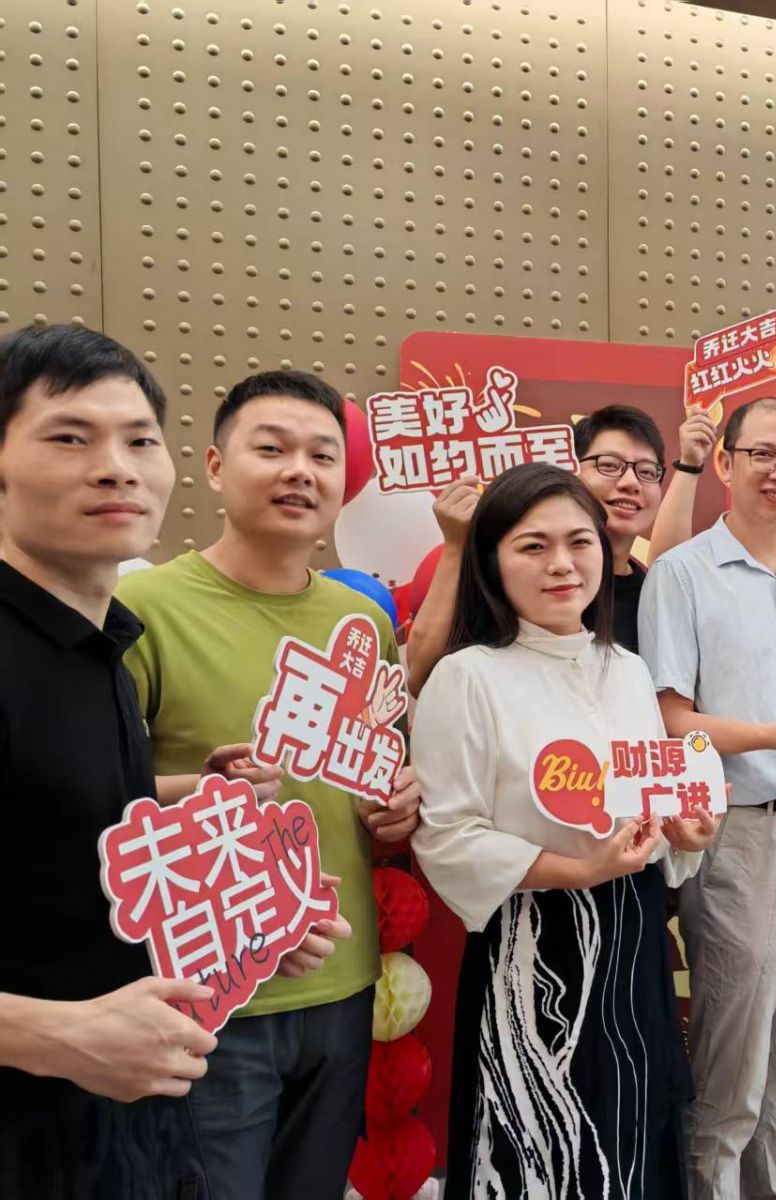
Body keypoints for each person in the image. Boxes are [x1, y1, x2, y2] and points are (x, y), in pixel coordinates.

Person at [116, 370, 422, 1200]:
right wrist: (195, 790)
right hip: (208, 994)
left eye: (322, 456)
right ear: (216, 467)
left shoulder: (361, 621)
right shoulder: (142, 608)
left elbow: (378, 778)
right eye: (273, 449)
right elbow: (90, 791)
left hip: (343, 980)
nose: (300, 472)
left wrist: (399, 803)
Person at [409, 463, 719, 1199]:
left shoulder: (628, 669)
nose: (562, 564)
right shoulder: (468, 676)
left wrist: (683, 834)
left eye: (579, 542)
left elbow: (649, 801)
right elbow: (447, 835)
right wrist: (578, 870)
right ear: (491, 559)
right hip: (533, 949)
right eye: (533, 545)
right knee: (540, 1144)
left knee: (632, 1125)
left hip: (633, 933)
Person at [0, 324, 216, 1197]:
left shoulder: (103, 647)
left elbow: (58, 844)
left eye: (140, 441)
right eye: (69, 437)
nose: (116, 468)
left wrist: (237, 920)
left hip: (127, 1138)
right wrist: (56, 1036)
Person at [639, 396, 776, 1199]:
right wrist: (773, 736)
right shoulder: (682, 572)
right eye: (764, 454)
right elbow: (668, 716)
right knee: (733, 1052)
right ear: (726, 464)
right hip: (739, 832)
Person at [407, 404, 713, 688]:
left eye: (647, 472)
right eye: (609, 465)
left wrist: (690, 465)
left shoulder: (648, 593)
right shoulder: (519, 581)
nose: (630, 483)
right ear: (569, 472)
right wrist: (456, 545)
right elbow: (423, 677)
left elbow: (670, 562)